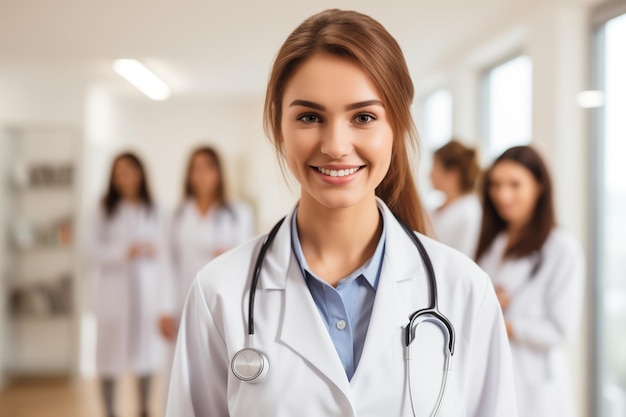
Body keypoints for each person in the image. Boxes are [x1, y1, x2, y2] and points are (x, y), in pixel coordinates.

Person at [166, 9, 517, 417]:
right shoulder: (220, 293)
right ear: (279, 126)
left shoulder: (465, 290)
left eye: (363, 117)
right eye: (310, 117)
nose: (335, 144)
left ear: (397, 127)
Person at [475, 146, 584, 417]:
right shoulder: (493, 243)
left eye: (515, 184)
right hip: (493, 372)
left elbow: (559, 331)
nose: (503, 195)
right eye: (496, 185)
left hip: (535, 385)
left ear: (539, 187)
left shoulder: (561, 249)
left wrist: (504, 322)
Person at [159, 146, 254, 375]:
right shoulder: (177, 215)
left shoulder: (239, 213)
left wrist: (229, 256)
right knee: (182, 371)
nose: (201, 175)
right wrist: (164, 308)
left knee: (218, 369)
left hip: (222, 300)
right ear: (188, 175)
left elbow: (249, 260)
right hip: (183, 299)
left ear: (219, 173)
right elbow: (167, 264)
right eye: (195, 169)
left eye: (208, 168)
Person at [87, 152, 165, 417]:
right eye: (118, 172)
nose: (124, 177)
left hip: (146, 293)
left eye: (129, 170)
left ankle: (144, 409)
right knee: (109, 357)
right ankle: (109, 411)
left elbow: (165, 247)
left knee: (147, 356)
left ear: (140, 173)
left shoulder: (154, 208)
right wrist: (124, 251)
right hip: (113, 294)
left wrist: (154, 249)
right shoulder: (103, 208)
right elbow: (90, 251)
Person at [429, 140, 482, 256]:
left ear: (453, 174)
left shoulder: (468, 211)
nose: (430, 174)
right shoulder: (437, 209)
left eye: (435, 167)